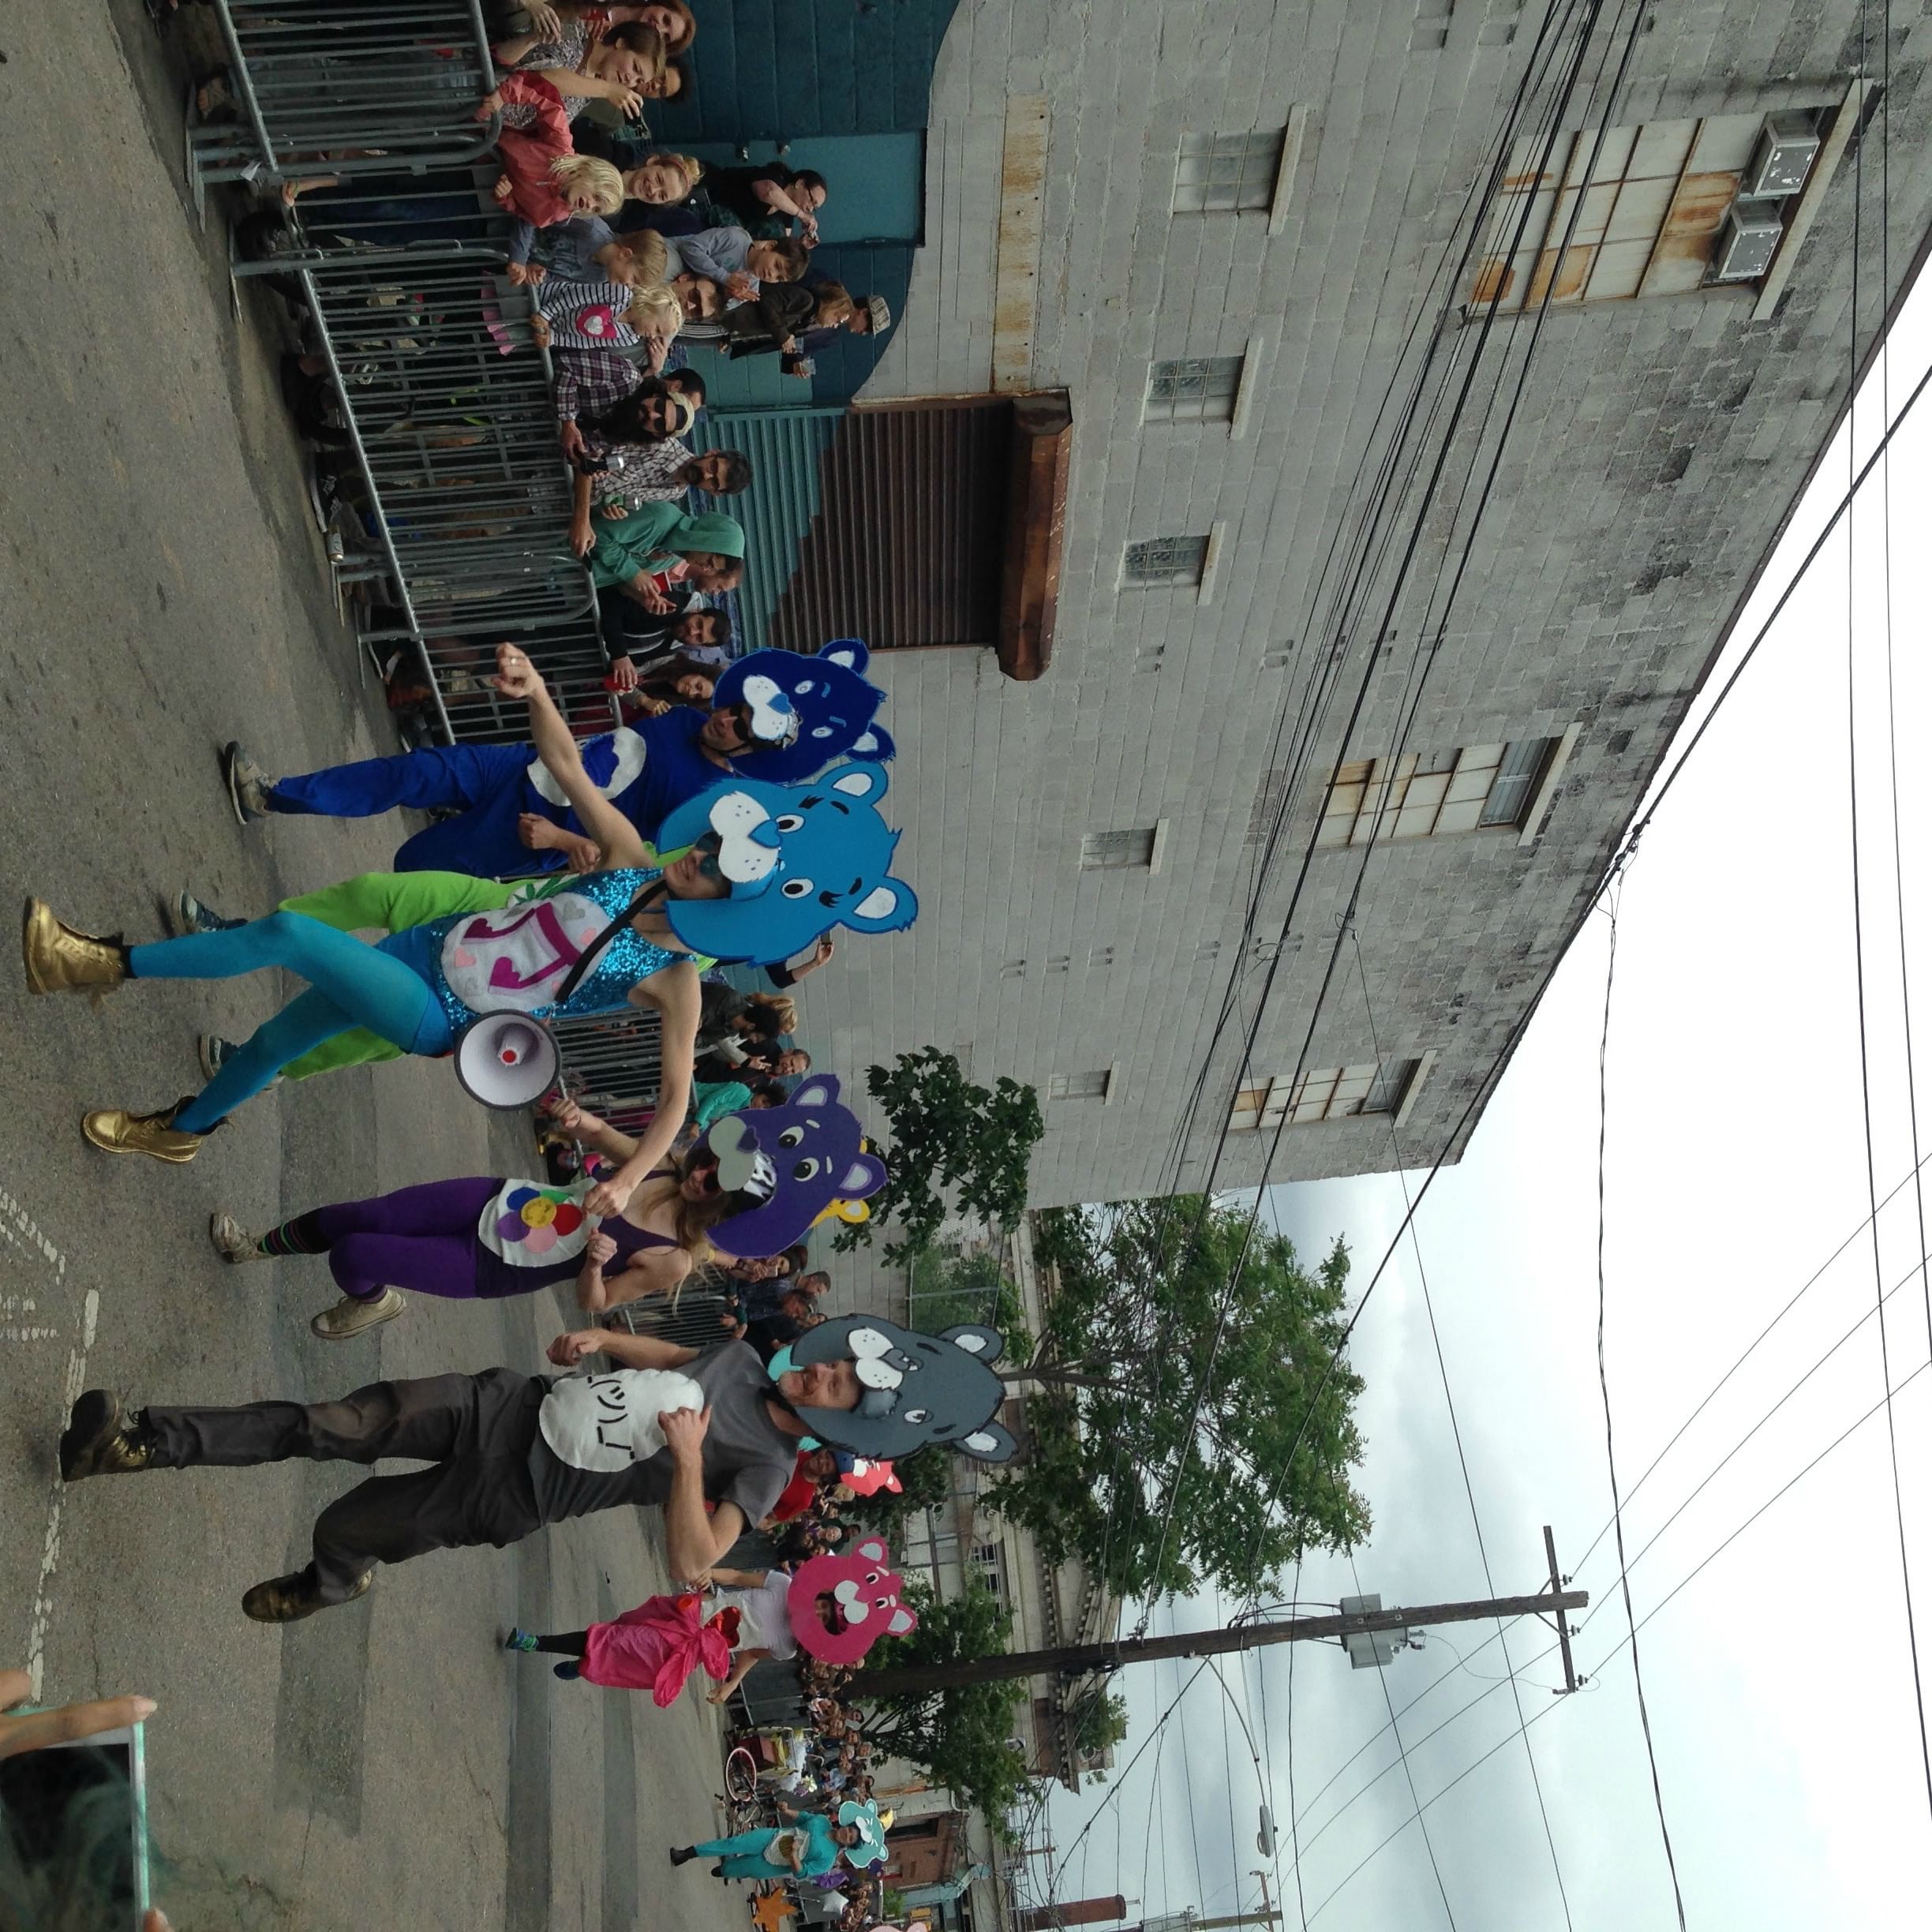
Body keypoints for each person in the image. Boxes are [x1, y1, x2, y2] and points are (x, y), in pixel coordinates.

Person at [24, 644, 728, 1160]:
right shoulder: (633, 861)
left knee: (288, 934)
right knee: (275, 1043)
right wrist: (539, 690)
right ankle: (181, 1133)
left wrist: (631, 1176)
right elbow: (570, 766)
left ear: (734, 908)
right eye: (713, 845)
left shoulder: (678, 981)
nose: (702, 855)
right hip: (432, 943)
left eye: (721, 869)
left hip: (446, 1014)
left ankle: (96, 963)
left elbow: (673, 1102)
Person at [55, 1324, 867, 1624]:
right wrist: (603, 1340)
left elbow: (695, 1562)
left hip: (516, 1492)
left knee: (344, 1525)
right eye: (832, 1366)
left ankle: (331, 1581)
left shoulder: (765, 1469)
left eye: (837, 1387)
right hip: (510, 1406)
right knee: (334, 1424)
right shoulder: (746, 1358)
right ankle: (138, 1442)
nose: (821, 1374)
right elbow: (679, 1362)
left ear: (839, 1421)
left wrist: (689, 1463)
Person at [214, 660, 773, 880]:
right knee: (413, 772)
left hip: (534, 831)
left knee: (410, 867)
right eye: (733, 709)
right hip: (519, 767)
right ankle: (274, 796)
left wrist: (564, 838)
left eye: (743, 728)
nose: (727, 720)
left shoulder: (710, 799)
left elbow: (638, 856)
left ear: (753, 752)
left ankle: (298, 942)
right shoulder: (684, 720)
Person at [205, 1122, 766, 1340]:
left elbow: (598, 1303)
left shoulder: (674, 1259)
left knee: (355, 1254)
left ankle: (372, 1302)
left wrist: (595, 1264)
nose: (700, 1176)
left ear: (724, 1210)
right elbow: (602, 1136)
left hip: (499, 1265)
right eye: (707, 1162)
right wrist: (577, 1122)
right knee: (355, 1217)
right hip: (497, 1198)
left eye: (715, 1183)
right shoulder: (664, 1161)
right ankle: (255, 1246)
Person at [590, 502, 746, 605]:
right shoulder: (659, 519)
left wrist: (644, 598)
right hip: (568, 554)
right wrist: (633, 573)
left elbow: (616, 577)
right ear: (704, 538)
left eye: (711, 569)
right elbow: (596, 533)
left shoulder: (672, 557)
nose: (705, 569)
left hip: (576, 582)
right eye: (709, 562)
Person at [670, 1807, 858, 1881]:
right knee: (733, 1843)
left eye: (850, 1838)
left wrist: (793, 1855)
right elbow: (803, 1817)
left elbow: (801, 1873)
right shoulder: (823, 1821)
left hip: (774, 1864)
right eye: (850, 1830)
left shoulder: (827, 1859)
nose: (847, 1834)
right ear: (846, 1825)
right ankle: (687, 1854)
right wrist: (787, 1810)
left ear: (848, 1845)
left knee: (731, 1868)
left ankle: (727, 1870)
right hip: (773, 1837)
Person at [698, 163, 828, 242]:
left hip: (714, 221)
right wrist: (801, 214)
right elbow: (768, 192)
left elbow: (781, 245)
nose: (810, 209)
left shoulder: (788, 216)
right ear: (800, 183)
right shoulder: (776, 176)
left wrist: (801, 243)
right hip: (706, 188)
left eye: (814, 208)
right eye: (811, 200)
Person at [784, 293, 892, 378]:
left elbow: (793, 353)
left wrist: (797, 364)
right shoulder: (830, 295)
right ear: (863, 312)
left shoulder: (830, 337)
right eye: (868, 329)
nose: (863, 333)